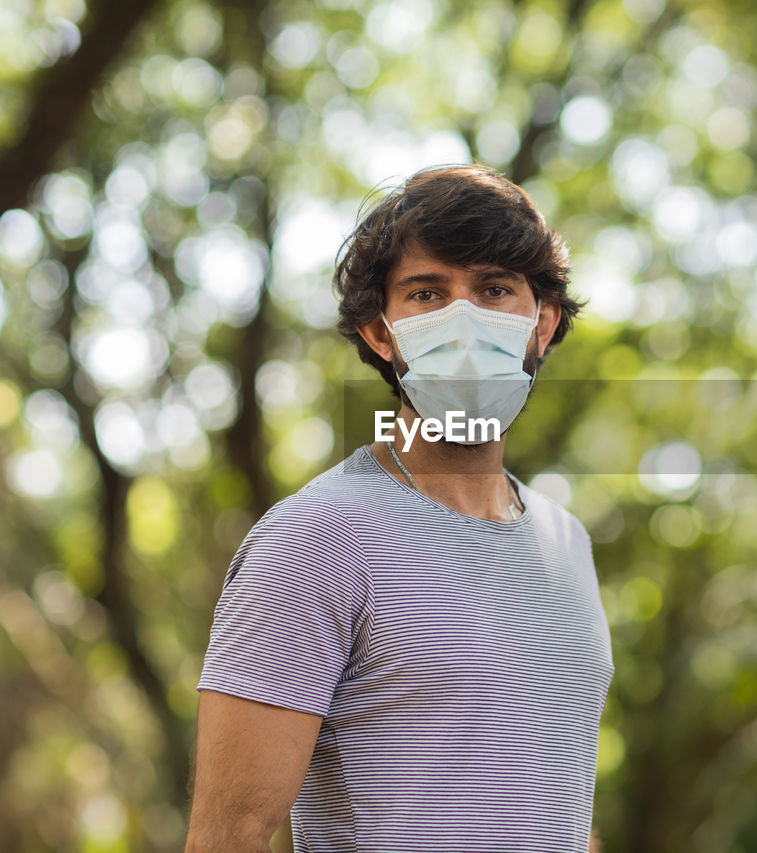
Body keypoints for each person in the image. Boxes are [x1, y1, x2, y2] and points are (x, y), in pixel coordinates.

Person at [184, 165, 614, 853]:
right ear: (379, 332)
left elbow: (555, 801)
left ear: (543, 322)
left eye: (495, 288)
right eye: (427, 293)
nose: (464, 317)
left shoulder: (568, 543)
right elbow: (226, 837)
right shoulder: (318, 538)